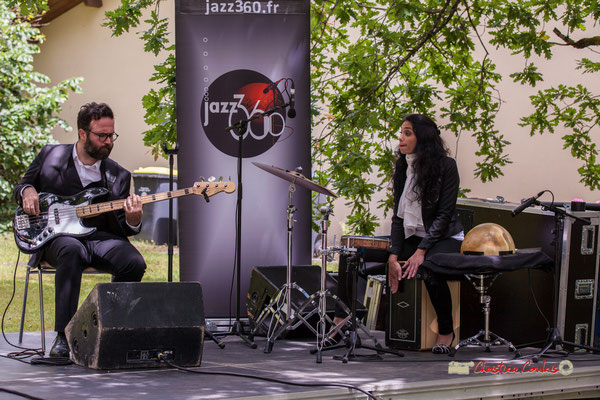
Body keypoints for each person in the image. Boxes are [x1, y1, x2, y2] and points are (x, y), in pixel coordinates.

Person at [14, 102, 147, 358]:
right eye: (102, 136)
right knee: (71, 251)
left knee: (134, 262)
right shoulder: (50, 156)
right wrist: (27, 191)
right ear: (82, 133)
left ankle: (111, 327)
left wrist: (133, 219)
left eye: (112, 135)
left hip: (98, 238)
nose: (108, 141)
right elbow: (21, 187)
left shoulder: (118, 174)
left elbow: (122, 226)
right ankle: (64, 336)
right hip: (58, 238)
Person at [387, 113, 463, 354]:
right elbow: (398, 217)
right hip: (415, 236)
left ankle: (446, 330)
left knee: (429, 267)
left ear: (424, 138)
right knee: (356, 256)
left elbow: (443, 216)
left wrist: (421, 251)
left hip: (444, 237)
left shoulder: (446, 166)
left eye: (407, 133)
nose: (400, 138)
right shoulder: (403, 167)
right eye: (401, 132)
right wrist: (392, 255)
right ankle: (340, 325)